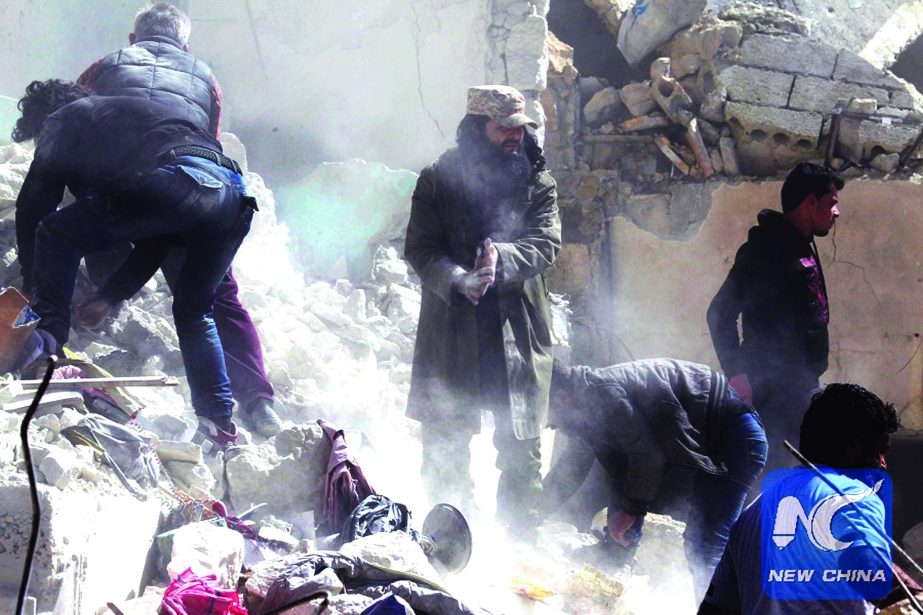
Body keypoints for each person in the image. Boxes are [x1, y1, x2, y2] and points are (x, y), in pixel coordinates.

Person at [72, 2, 282, 438]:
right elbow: (210, 139)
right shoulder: (206, 77)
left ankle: (104, 310)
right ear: (185, 44)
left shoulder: (102, 67)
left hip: (121, 192)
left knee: (92, 227)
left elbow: (73, 129)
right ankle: (258, 403)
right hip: (194, 190)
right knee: (214, 295)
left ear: (133, 39)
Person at [12, 79, 254, 453]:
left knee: (56, 232)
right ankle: (219, 423)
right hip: (232, 196)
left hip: (178, 176)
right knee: (195, 312)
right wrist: (111, 295)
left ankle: (46, 348)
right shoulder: (136, 123)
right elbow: (159, 232)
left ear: (44, 119)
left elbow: (34, 206)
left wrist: (31, 288)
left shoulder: (63, 118)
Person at [403, 84, 561, 540]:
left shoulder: (537, 179)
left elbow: (547, 242)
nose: (516, 136)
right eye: (503, 128)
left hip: (518, 332)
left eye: (521, 127)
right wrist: (459, 279)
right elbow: (421, 248)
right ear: (477, 128)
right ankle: (450, 545)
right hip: (453, 330)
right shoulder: (436, 179)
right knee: (444, 444)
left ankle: (519, 548)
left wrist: (502, 259)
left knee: (521, 449)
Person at [544, 358, 767, 598]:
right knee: (631, 543)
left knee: (706, 546)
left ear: (562, 397)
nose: (548, 426)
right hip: (712, 443)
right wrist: (528, 515)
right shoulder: (588, 409)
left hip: (738, 441)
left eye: (546, 415)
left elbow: (647, 455)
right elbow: (575, 470)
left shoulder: (602, 393)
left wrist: (631, 511)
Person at [699, 383, 899, 614]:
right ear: (853, 447)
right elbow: (871, 574)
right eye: (880, 451)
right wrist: (912, 594)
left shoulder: (752, 513)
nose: (883, 463)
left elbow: (714, 610)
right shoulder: (854, 497)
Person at [707, 162, 843, 468]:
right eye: (832, 204)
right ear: (810, 202)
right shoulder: (764, 250)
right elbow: (719, 313)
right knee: (773, 478)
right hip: (770, 391)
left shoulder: (801, 244)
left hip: (799, 388)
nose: (837, 213)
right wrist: (737, 375)